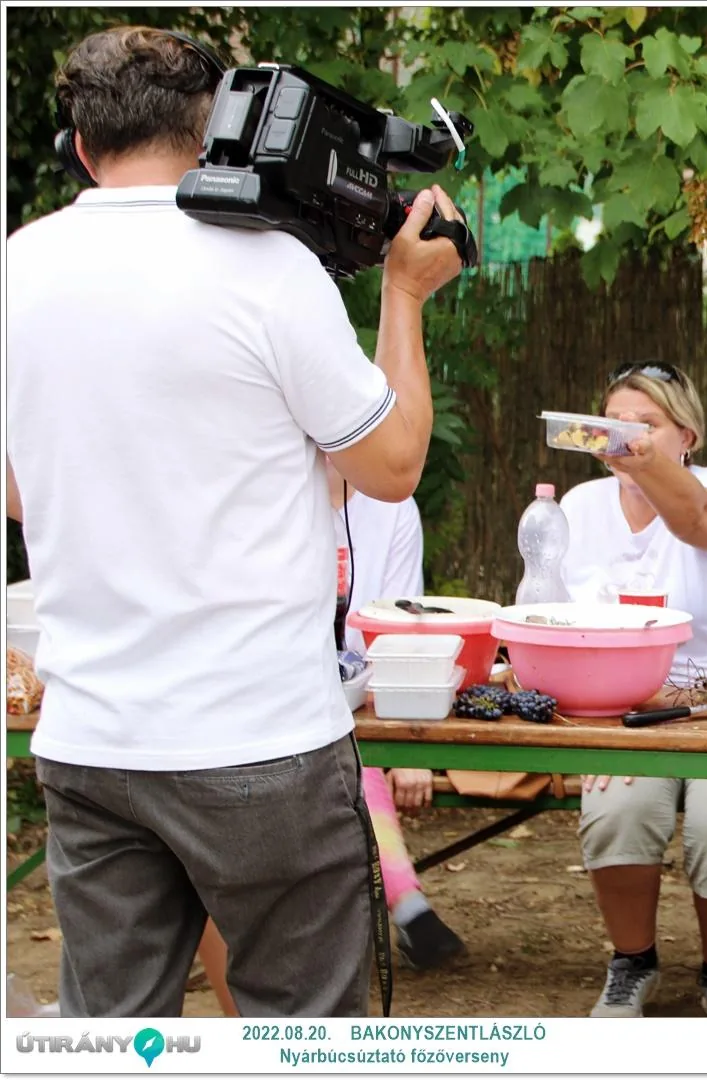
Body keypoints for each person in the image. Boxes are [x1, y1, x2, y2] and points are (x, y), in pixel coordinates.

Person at [5, 26, 463, 1017]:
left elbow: (17, 491)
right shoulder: (263, 266)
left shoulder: (19, 266)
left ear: (81, 147)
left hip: (91, 738)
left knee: (114, 1030)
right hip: (257, 739)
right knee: (300, 1031)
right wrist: (404, 292)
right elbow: (388, 467)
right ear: (216, 129)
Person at [197, 461, 466, 1015]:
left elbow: (401, 624)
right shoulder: (247, 490)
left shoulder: (390, 504)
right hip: (245, 707)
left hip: (354, 701)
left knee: (341, 759)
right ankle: (405, 903)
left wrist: (405, 740)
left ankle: (400, 906)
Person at [559, 362, 707, 1018]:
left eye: (646, 425)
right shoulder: (577, 508)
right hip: (626, 710)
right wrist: (595, 727)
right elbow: (565, 624)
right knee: (617, 814)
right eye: (612, 424)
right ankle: (633, 962)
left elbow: (692, 520)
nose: (626, 437)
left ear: (687, 435)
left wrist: (645, 461)